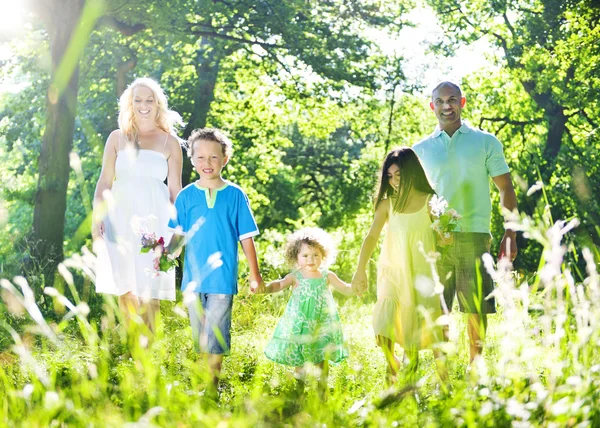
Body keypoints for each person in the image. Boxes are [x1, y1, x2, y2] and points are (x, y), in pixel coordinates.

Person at [412, 81, 518, 363]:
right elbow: (413, 198)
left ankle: (476, 370)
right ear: (432, 106)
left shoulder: (485, 142)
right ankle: (442, 376)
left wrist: (510, 232)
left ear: (462, 102)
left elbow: (506, 188)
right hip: (435, 239)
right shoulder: (419, 150)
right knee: (437, 309)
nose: (447, 106)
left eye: (452, 100)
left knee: (476, 308)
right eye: (441, 101)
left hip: (474, 235)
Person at [165, 128, 262, 390]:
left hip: (222, 278)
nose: (207, 163)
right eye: (201, 158)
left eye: (214, 158)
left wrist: (255, 274)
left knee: (215, 335)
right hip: (193, 281)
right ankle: (206, 382)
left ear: (225, 159)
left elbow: (246, 238)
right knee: (202, 336)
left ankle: (211, 389)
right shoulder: (186, 196)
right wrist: (165, 256)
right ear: (192, 160)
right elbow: (178, 234)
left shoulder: (235, 195)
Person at [93, 77, 184, 334]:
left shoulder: (170, 142)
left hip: (155, 221)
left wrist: (180, 230)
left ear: (158, 104)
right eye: (138, 100)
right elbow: (104, 182)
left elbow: (175, 190)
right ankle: (134, 346)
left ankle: (149, 351)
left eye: (149, 100)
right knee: (125, 286)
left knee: (149, 287)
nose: (144, 105)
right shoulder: (116, 138)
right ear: (130, 104)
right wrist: (97, 217)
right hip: (118, 217)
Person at [352, 148, 445, 384]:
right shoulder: (387, 205)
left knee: (417, 328)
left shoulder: (429, 202)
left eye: (399, 175)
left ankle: (424, 381)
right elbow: (371, 237)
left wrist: (446, 234)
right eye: (390, 176)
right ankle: (391, 360)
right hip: (391, 273)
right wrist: (360, 269)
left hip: (421, 276)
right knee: (383, 324)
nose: (394, 181)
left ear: (412, 172)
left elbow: (444, 237)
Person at [256, 227, 354, 397]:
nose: (311, 259)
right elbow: (279, 285)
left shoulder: (327, 275)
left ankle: (322, 391)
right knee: (300, 359)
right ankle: (298, 391)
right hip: (300, 323)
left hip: (322, 323)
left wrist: (355, 288)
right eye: (305, 256)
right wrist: (264, 288)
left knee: (322, 357)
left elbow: (345, 288)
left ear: (323, 255)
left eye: (316, 255)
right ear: (296, 257)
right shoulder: (296, 276)